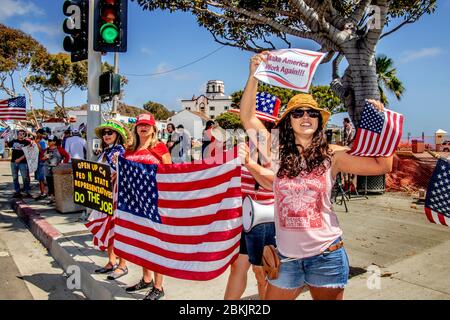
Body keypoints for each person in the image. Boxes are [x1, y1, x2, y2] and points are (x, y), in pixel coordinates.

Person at [239, 52, 393, 300]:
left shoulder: (332, 155)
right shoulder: (275, 151)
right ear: (288, 121)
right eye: (297, 113)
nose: (305, 117)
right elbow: (248, 118)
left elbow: (381, 165)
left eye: (311, 113)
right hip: (286, 258)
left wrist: (381, 124)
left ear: (320, 121)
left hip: (327, 256)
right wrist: (253, 74)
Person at [224, 95, 279, 300]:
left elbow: (273, 183)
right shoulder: (245, 146)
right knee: (239, 267)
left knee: (264, 271)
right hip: (244, 217)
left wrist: (248, 162)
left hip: (265, 218)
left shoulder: (274, 148)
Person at [123, 113, 172, 300]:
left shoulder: (159, 147)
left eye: (147, 125)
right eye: (140, 125)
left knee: (157, 244)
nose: (143, 128)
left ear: (154, 128)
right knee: (142, 243)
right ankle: (146, 278)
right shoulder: (130, 148)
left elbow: (169, 172)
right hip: (135, 204)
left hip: (155, 202)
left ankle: (158, 287)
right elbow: (125, 172)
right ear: (136, 128)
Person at [87, 120, 132, 280]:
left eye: (110, 133)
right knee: (109, 228)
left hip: (117, 196)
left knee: (117, 229)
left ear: (117, 135)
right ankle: (111, 261)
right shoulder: (106, 152)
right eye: (104, 133)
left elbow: (122, 173)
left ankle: (122, 265)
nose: (106, 135)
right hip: (105, 195)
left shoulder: (119, 152)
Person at [43, 135, 70, 204]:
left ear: (54, 142)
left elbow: (67, 156)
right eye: (48, 140)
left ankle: (58, 199)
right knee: (50, 184)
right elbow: (41, 158)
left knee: (57, 184)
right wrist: (45, 157)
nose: (48, 142)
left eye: (50, 141)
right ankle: (52, 198)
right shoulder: (47, 149)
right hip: (47, 169)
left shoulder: (59, 149)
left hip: (56, 170)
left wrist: (63, 164)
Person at [8, 129, 32, 198]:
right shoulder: (13, 141)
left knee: (25, 177)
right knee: (15, 177)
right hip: (13, 162)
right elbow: (7, 145)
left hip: (23, 163)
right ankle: (17, 192)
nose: (20, 134)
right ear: (17, 134)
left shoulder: (27, 142)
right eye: (19, 133)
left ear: (24, 135)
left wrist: (19, 159)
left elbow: (28, 153)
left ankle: (27, 192)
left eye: (22, 133)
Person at [34, 129, 48, 200]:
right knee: (40, 179)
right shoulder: (39, 141)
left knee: (41, 179)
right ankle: (42, 193)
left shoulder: (42, 142)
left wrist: (37, 144)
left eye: (38, 133)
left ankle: (43, 193)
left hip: (41, 162)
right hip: (38, 161)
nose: (37, 135)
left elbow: (43, 151)